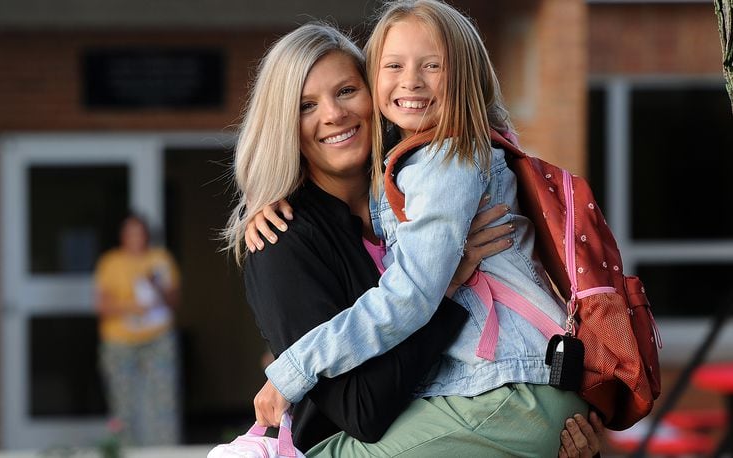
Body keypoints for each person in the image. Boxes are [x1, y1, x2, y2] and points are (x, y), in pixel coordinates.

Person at [225, 21, 602, 458]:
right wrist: (446, 284)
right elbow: (362, 409)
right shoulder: (282, 241)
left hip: (491, 403)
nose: (333, 114)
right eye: (306, 105)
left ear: (373, 93)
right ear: (284, 125)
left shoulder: (422, 189)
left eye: (347, 91)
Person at [94, 213, 181, 445]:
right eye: (130, 233)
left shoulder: (160, 258)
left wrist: (158, 286)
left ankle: (166, 451)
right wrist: (132, 306)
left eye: (140, 233)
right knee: (123, 403)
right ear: (122, 236)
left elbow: (174, 301)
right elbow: (101, 305)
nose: (135, 238)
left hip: (158, 339)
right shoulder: (111, 262)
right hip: (119, 342)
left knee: (163, 401)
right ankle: (126, 450)